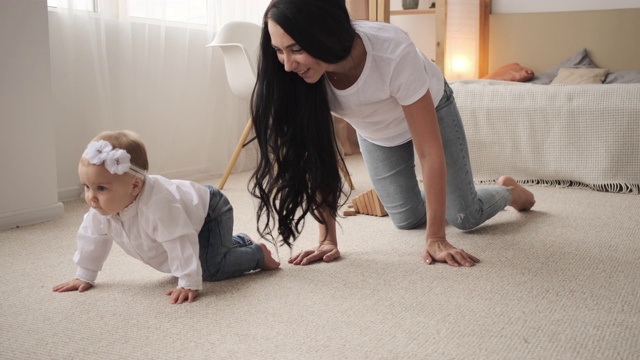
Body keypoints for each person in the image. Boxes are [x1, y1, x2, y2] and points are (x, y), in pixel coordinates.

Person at [249, 0, 536, 267]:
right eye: (278, 50)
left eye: (296, 49)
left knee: (464, 216)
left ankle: (510, 192)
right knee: (407, 218)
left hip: (432, 108)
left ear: (324, 33)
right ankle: (448, 199)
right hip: (376, 130)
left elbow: (429, 151)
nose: (286, 64)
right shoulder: (300, 77)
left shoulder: (392, 50)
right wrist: (327, 238)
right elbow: (316, 153)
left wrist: (436, 238)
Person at [53, 130, 280, 304]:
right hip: (188, 217)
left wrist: (188, 282)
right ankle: (232, 242)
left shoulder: (159, 206)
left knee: (210, 269)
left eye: (101, 188)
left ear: (134, 185)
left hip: (210, 210)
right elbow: (91, 238)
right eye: (87, 187)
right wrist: (85, 274)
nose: (91, 197)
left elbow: (178, 239)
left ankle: (257, 254)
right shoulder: (101, 211)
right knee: (195, 256)